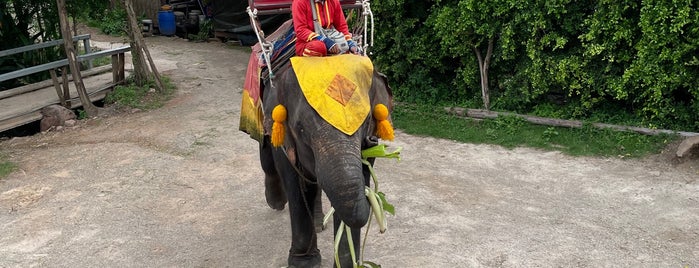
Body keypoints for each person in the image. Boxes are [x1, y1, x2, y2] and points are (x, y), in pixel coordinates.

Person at [291, 0, 361, 57]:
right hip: (307, 43)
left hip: (331, 40)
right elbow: (300, 30)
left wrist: (350, 43)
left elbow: (341, 26)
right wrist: (324, 41)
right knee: (319, 47)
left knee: (346, 47)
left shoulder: (333, 1)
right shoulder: (299, 2)